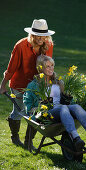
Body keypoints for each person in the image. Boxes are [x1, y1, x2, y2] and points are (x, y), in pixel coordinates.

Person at [23, 55, 86, 153]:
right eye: (47, 66)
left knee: (76, 107)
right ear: (40, 68)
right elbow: (28, 104)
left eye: (52, 65)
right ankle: (76, 139)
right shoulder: (34, 85)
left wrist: (69, 100)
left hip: (63, 112)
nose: (51, 68)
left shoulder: (58, 82)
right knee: (63, 108)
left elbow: (68, 101)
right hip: (47, 115)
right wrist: (37, 107)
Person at [0, 19, 55, 149]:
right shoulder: (21, 46)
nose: (41, 38)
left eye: (43, 35)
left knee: (36, 112)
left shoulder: (49, 44)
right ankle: (15, 137)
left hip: (38, 85)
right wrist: (3, 85)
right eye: (37, 35)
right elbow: (11, 68)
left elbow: (47, 65)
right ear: (32, 34)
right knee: (19, 111)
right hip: (20, 84)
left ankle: (28, 142)